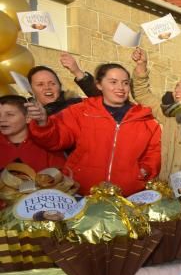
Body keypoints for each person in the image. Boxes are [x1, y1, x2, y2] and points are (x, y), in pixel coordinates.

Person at [26, 63, 161, 196]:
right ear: (99, 85)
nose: (120, 87)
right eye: (113, 82)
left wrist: (144, 170)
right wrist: (43, 122)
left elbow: (154, 152)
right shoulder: (80, 111)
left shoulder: (144, 118)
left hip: (128, 197)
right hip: (83, 193)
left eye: (125, 83)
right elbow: (56, 139)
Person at [128, 47, 181, 181]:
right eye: (177, 86)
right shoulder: (167, 113)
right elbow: (142, 94)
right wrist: (141, 65)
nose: (177, 90)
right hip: (167, 182)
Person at [0, 95, 65, 171]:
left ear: (28, 118)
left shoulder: (46, 143)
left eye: (9, 115)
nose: (1, 119)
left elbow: (61, 175)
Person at [27, 56, 100, 116]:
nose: (47, 87)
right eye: (40, 84)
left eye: (52, 83)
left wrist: (77, 72)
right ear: (30, 89)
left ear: (60, 86)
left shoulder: (75, 105)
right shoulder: (24, 113)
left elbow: (102, 101)